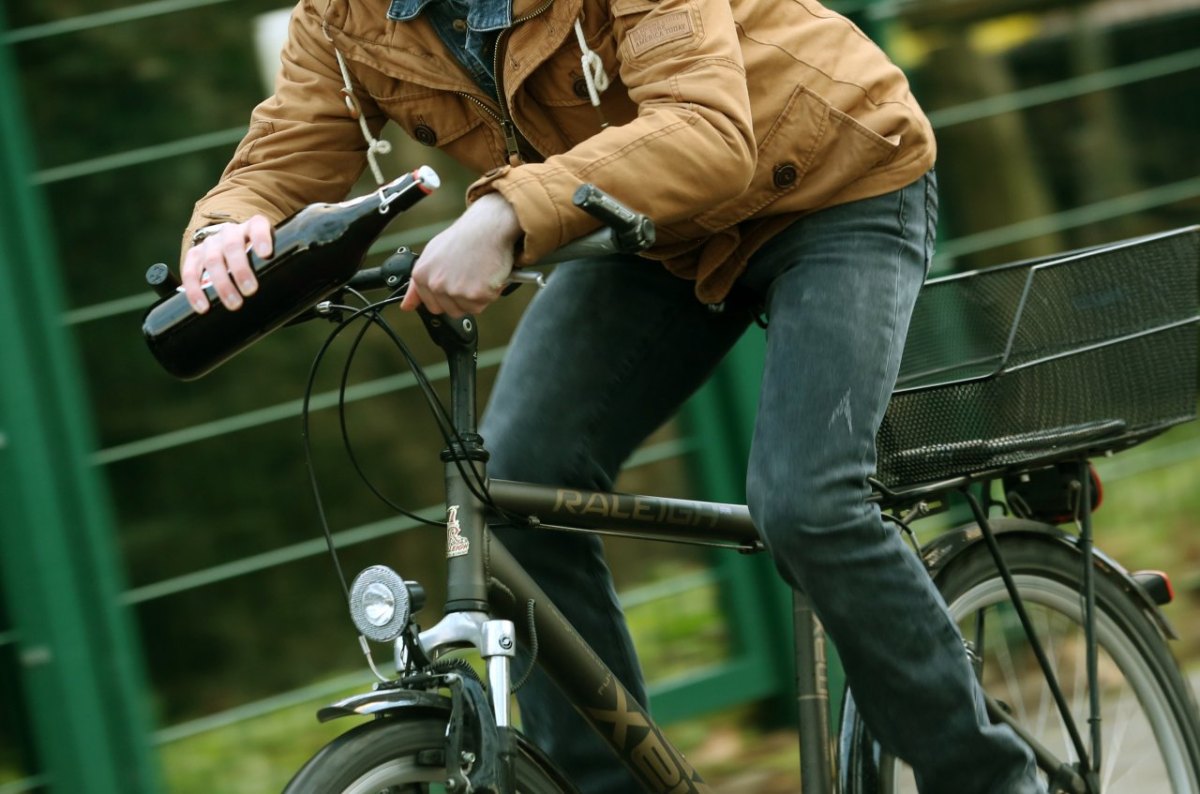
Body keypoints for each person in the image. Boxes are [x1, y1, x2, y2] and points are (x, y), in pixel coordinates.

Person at [179, 0, 1047, 791]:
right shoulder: (345, 15)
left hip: (829, 177)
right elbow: (290, 149)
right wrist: (227, 232)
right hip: (650, 231)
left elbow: (707, 128)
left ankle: (995, 781)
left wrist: (507, 214)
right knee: (517, 485)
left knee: (807, 502)